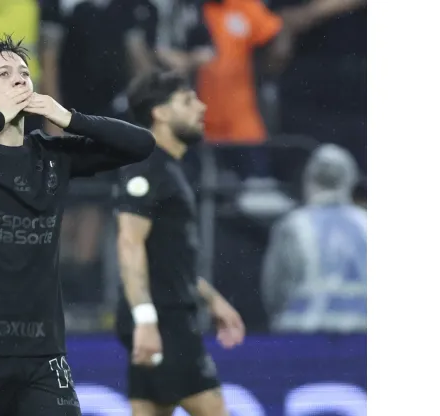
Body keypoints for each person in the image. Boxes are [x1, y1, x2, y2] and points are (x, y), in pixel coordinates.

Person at [0, 35, 155, 416]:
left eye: (25, 73)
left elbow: (140, 144)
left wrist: (71, 119)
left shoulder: (53, 155)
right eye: (5, 73)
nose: (19, 80)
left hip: (41, 355)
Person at [114, 71, 245, 416]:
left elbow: (168, 256)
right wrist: (145, 320)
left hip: (163, 318)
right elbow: (129, 243)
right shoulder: (146, 169)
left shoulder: (168, 169)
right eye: (188, 100)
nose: (201, 106)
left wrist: (212, 299)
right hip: (163, 323)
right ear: (160, 112)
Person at [261, 144, 366, 332]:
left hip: (303, 333)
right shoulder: (366, 224)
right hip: (362, 335)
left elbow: (274, 292)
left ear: (308, 178)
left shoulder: (293, 225)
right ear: (350, 180)